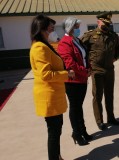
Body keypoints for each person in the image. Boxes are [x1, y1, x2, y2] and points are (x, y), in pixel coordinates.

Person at [29, 14, 75, 160]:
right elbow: (46, 75)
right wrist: (66, 74)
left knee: (57, 130)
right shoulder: (39, 48)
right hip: (49, 96)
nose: (53, 32)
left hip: (54, 95)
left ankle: (58, 156)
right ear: (41, 29)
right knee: (54, 132)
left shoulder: (46, 45)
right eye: (51, 28)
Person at [81, 12, 119, 130]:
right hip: (96, 70)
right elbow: (80, 50)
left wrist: (115, 57)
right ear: (98, 22)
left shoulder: (113, 35)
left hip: (109, 69)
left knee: (109, 95)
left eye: (108, 23)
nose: (107, 25)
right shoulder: (90, 35)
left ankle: (111, 117)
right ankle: (99, 121)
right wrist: (87, 65)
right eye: (105, 23)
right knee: (98, 96)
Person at [58, 17, 92, 146]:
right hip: (73, 81)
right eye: (76, 27)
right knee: (75, 107)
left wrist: (89, 68)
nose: (78, 29)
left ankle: (82, 131)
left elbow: (84, 57)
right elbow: (70, 63)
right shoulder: (64, 43)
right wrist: (84, 71)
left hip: (82, 79)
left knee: (79, 107)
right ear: (70, 27)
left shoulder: (76, 40)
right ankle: (76, 133)